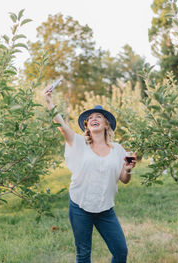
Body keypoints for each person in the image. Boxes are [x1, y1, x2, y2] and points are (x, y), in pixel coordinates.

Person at [43, 85, 136, 263]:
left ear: (106, 124)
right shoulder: (79, 143)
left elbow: (124, 179)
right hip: (80, 206)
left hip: (105, 209)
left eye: (98, 117)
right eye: (90, 118)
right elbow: (61, 126)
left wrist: (128, 168)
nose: (94, 119)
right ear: (87, 125)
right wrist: (49, 102)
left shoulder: (117, 150)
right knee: (83, 254)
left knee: (121, 251)